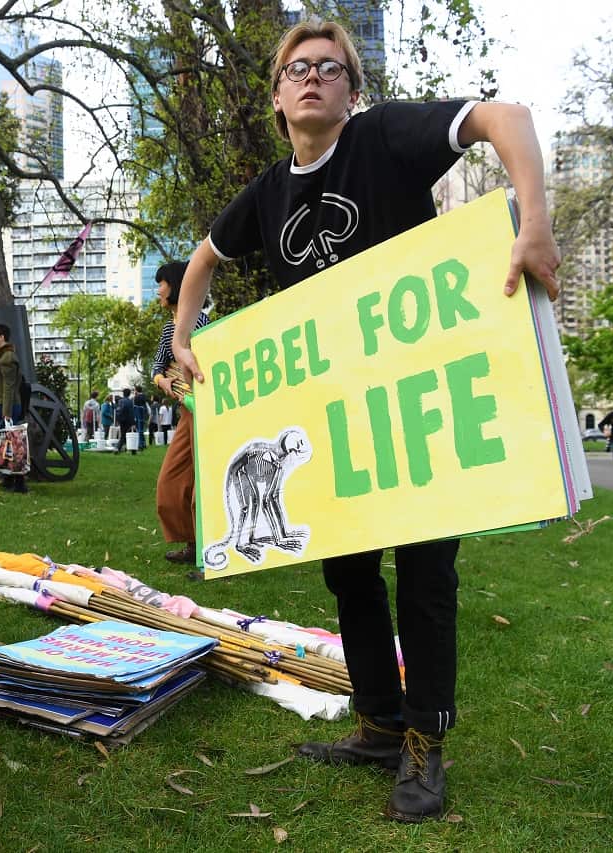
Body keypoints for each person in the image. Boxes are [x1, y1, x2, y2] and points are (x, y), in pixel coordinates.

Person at [170, 20, 561, 823]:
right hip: (333, 420)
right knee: (347, 571)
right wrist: (181, 335)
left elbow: (506, 118)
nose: (312, 77)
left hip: (419, 409)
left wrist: (534, 220)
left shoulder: (385, 140)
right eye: (296, 69)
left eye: (329, 67)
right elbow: (205, 258)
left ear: (351, 88)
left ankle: (426, 738)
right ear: (279, 98)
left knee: (425, 573)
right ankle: (380, 721)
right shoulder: (267, 194)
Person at [152, 260, 211, 563]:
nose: (158, 290)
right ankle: (190, 542)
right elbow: (156, 367)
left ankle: (207, 548)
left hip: (205, 412)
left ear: (175, 285)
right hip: (185, 410)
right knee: (171, 480)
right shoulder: (168, 330)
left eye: (161, 283)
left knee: (204, 482)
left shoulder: (202, 324)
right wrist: (166, 383)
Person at [0, 323, 27, 493]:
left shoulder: (8, 358)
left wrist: (6, 413)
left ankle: (19, 483)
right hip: (2, 405)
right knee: (6, 444)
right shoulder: (2, 357)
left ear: (1, 337)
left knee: (13, 444)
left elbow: (9, 387)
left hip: (6, 407)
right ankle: (9, 479)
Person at [113, 388, 136, 454]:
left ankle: (123, 448)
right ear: (129, 394)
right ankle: (130, 449)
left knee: (124, 434)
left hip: (121, 420)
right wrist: (133, 422)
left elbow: (118, 411)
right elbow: (131, 413)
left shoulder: (120, 401)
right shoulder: (130, 402)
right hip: (128, 420)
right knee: (131, 434)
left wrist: (117, 420)